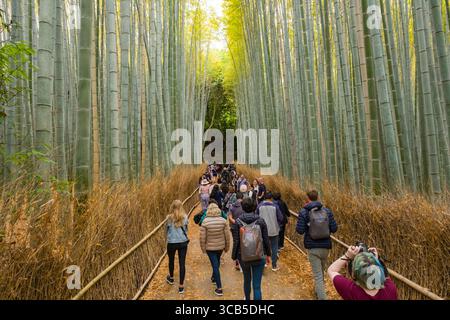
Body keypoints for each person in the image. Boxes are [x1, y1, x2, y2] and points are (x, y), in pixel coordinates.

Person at [296, 190, 338, 300]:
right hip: (325, 247)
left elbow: (299, 230)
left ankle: (322, 297)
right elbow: (334, 228)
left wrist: (308, 227)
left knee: (318, 276)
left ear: (307, 199)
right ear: (317, 197)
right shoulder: (327, 211)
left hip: (313, 247)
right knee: (321, 274)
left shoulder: (304, 212)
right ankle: (318, 292)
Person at [232, 197, 271, 300]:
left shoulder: (238, 222)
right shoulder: (261, 221)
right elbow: (266, 239)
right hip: (259, 255)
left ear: (243, 207)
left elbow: (236, 241)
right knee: (257, 286)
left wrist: (234, 256)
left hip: (243, 256)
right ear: (254, 207)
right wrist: (268, 254)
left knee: (247, 280)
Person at [327, 246, 398, 300]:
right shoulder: (390, 289)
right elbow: (384, 275)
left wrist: (347, 255)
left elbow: (331, 270)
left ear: (354, 275)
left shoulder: (350, 290)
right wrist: (374, 260)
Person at [200, 203, 231, 296]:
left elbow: (202, 237)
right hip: (220, 247)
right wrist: (227, 247)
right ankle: (214, 277)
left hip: (210, 248)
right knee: (216, 263)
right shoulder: (223, 220)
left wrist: (203, 248)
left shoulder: (205, 222)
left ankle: (219, 288)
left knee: (215, 265)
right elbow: (227, 236)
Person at [165, 200, 189, 294]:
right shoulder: (185, 217)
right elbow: (186, 229)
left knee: (171, 260)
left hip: (172, 242)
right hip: (183, 242)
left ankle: (171, 278)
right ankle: (181, 286)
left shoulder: (169, 218)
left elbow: (166, 230)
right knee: (182, 262)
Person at [256, 192, 284, 271]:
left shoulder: (260, 206)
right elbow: (281, 218)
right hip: (274, 230)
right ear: (271, 198)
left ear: (264, 198)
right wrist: (277, 224)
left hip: (262, 230)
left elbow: (256, 216)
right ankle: (274, 266)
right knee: (274, 247)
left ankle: (264, 263)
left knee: (263, 247)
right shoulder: (275, 206)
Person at [228, 192, 246, 271]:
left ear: (236, 197)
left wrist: (235, 222)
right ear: (242, 197)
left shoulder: (232, 206)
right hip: (244, 227)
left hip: (234, 227)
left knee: (236, 243)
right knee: (243, 243)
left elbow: (230, 217)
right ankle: (244, 260)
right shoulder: (245, 205)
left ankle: (236, 261)